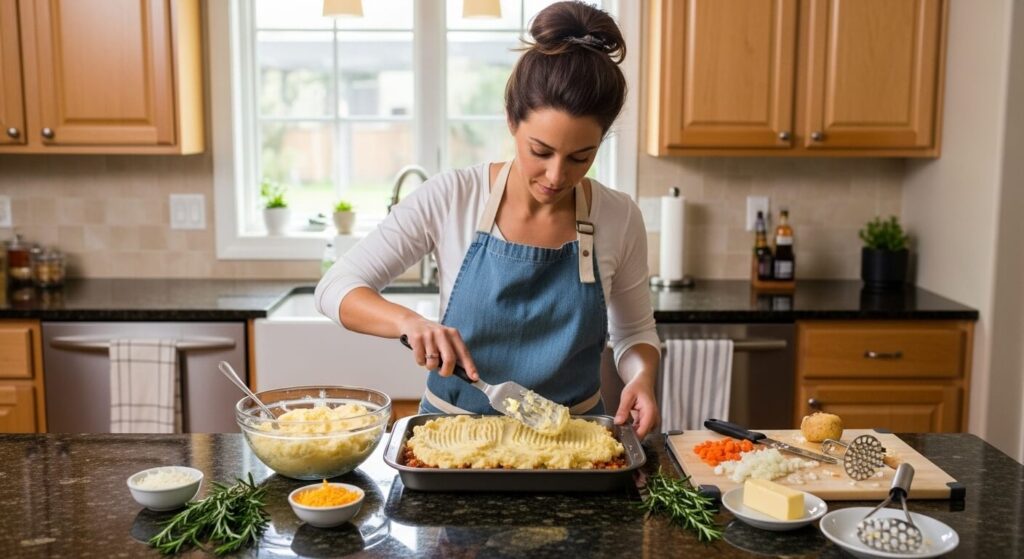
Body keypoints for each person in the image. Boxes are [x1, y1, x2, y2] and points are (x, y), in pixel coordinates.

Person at [315, 1, 661, 438]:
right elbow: (334, 287)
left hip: (577, 444)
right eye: (540, 151)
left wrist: (641, 376)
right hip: (450, 440)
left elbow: (635, 333)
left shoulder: (619, 216)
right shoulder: (452, 196)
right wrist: (409, 322)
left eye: (580, 157)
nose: (557, 176)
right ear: (512, 121)